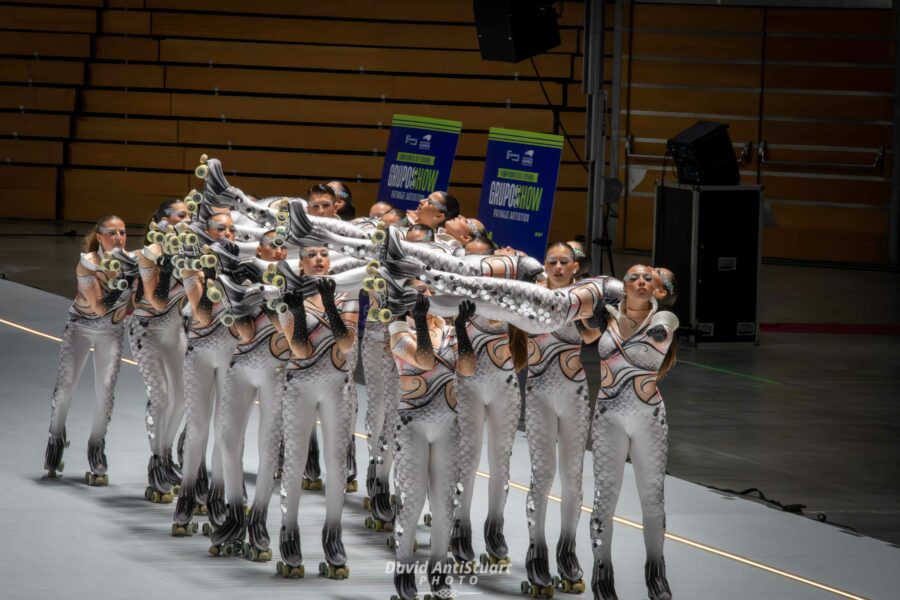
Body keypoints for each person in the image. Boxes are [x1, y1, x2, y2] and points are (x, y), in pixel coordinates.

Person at [582, 264, 679, 600]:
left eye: (648, 279)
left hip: (649, 417)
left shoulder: (664, 321)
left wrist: (606, 312)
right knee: (603, 499)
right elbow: (584, 334)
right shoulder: (604, 317)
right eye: (632, 277)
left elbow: (655, 334)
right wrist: (590, 309)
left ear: (659, 291)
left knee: (652, 499)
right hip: (608, 416)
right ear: (622, 285)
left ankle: (656, 571)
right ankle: (602, 572)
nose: (640, 281)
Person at [198, 231, 290, 561]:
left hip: (277, 372)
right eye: (271, 246)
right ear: (259, 251)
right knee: (228, 442)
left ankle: (259, 520)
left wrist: (274, 298)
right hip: (241, 366)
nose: (278, 251)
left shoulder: (295, 284)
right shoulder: (241, 281)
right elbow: (244, 332)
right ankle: (235, 513)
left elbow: (287, 332)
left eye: (282, 246)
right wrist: (245, 299)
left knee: (268, 448)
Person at [388, 287, 475, 600]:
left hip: (448, 427)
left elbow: (468, 368)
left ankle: (439, 573)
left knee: (444, 505)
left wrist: (462, 327)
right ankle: (404, 569)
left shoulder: (453, 331)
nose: (427, 296)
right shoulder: (398, 329)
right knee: (411, 505)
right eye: (421, 292)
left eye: (433, 291)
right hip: (411, 426)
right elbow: (424, 360)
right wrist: (423, 321)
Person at [277, 245, 359, 579]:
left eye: (324, 253)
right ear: (300, 262)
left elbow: (347, 343)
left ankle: (333, 537)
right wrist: (296, 312)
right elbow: (299, 348)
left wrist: (328, 302)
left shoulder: (347, 294)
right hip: (299, 384)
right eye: (311, 254)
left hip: (338, 386)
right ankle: (289, 533)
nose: (319, 259)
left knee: (337, 464)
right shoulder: (286, 295)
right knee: (294, 462)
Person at [521, 242, 592, 596]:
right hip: (538, 394)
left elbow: (594, 336)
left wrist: (589, 313)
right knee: (542, 474)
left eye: (565, 262)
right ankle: (537, 552)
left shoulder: (584, 298)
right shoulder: (530, 294)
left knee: (572, 477)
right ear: (544, 265)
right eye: (553, 262)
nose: (559, 267)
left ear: (576, 266)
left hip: (574, 393)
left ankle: (568, 551)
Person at [44, 215, 134, 486]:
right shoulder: (87, 263)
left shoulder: (131, 262)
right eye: (112, 232)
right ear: (99, 236)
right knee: (65, 387)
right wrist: (122, 286)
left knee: (105, 389)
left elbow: (140, 301)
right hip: (80, 326)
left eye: (123, 232)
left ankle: (97, 445)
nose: (119, 237)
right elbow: (99, 307)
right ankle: (56, 436)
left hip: (111, 332)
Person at [171, 212, 240, 530]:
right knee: (198, 430)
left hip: (232, 356)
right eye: (221, 228)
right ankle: (186, 498)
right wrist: (211, 274)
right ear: (207, 234)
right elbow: (202, 313)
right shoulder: (192, 267)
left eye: (231, 228)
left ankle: (216, 498)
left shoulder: (244, 266)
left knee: (227, 433)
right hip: (198, 354)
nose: (228, 233)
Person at [131, 200, 190, 501]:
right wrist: (167, 269)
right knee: (161, 396)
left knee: (183, 396)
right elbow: (156, 302)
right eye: (181, 214)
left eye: (189, 215)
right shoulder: (149, 255)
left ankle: (166, 456)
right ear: (163, 221)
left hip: (175, 331)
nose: (186, 219)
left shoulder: (191, 252)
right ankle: (155, 462)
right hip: (147, 331)